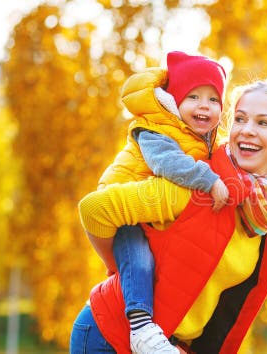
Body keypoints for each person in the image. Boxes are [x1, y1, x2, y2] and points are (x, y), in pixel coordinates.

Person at [71, 80, 267, 354]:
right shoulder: (197, 184)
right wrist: (124, 272)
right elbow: (95, 209)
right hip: (110, 337)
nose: (247, 131)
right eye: (240, 119)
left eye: (263, 123)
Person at [88, 51, 230, 354]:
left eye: (213, 99)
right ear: (173, 102)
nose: (204, 105)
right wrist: (209, 180)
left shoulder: (204, 139)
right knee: (139, 257)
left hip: (149, 210)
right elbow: (166, 163)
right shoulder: (155, 128)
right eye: (193, 96)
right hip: (126, 203)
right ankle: (140, 326)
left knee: (149, 263)